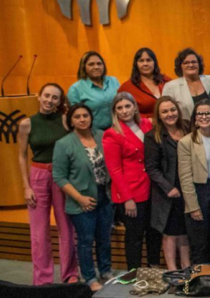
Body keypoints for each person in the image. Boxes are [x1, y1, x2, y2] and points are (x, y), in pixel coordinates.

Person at [18, 83, 77, 285]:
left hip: (62, 176)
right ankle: (42, 279)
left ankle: (70, 274)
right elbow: (21, 155)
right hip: (38, 176)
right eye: (46, 95)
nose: (49, 100)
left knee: (66, 227)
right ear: (39, 96)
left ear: (60, 101)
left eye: (54, 97)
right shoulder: (27, 124)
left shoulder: (65, 121)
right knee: (39, 231)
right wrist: (26, 186)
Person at [53, 104, 113, 292]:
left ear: (90, 117)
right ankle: (89, 277)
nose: (82, 119)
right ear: (71, 120)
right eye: (77, 116)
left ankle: (106, 271)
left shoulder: (102, 135)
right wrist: (79, 198)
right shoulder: (64, 144)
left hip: (105, 195)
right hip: (82, 200)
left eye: (85, 115)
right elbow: (59, 176)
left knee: (104, 237)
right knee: (86, 241)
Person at [103, 92, 161, 269]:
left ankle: (154, 267)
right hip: (131, 191)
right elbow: (114, 170)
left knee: (154, 231)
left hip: (152, 187)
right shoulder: (111, 134)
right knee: (135, 236)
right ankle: (133, 272)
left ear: (135, 106)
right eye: (119, 108)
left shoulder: (146, 124)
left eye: (127, 106)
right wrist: (128, 198)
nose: (124, 110)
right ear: (115, 111)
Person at [144, 96, 191, 271]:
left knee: (184, 231)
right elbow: (151, 168)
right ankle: (172, 270)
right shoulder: (153, 136)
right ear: (159, 115)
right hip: (167, 192)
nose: (170, 114)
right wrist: (168, 188)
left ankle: (186, 266)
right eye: (165, 111)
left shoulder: (187, 128)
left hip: (187, 188)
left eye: (172, 110)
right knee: (170, 233)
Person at [177, 100, 210, 265]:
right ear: (195, 118)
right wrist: (193, 206)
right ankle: (200, 282)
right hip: (199, 192)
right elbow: (185, 177)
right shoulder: (186, 142)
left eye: (208, 113)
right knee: (199, 243)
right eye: (200, 114)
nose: (204, 117)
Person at [68, 51, 120, 130]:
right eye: (91, 64)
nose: (96, 67)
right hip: (93, 132)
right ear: (84, 67)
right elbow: (75, 117)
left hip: (118, 128)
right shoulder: (75, 89)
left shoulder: (114, 81)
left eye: (99, 64)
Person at [163, 48, 210, 121]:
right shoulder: (170, 87)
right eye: (186, 63)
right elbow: (166, 112)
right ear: (180, 66)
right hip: (185, 130)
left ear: (199, 64)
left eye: (194, 62)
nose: (191, 65)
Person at [118, 48, 172, 118]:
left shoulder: (166, 80)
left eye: (148, 60)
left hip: (170, 121)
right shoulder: (127, 87)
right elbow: (122, 111)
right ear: (136, 64)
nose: (145, 64)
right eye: (141, 61)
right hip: (144, 126)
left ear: (154, 63)